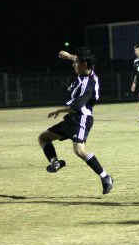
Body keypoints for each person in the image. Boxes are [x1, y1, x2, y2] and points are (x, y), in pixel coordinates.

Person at [38, 47, 113, 195]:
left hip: (81, 118)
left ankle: (106, 177)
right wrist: (68, 56)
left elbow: (75, 107)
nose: (74, 64)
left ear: (84, 65)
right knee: (43, 138)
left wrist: (58, 110)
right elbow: (81, 59)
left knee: (79, 150)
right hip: (73, 118)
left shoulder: (87, 85)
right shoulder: (87, 67)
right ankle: (55, 162)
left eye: (77, 62)